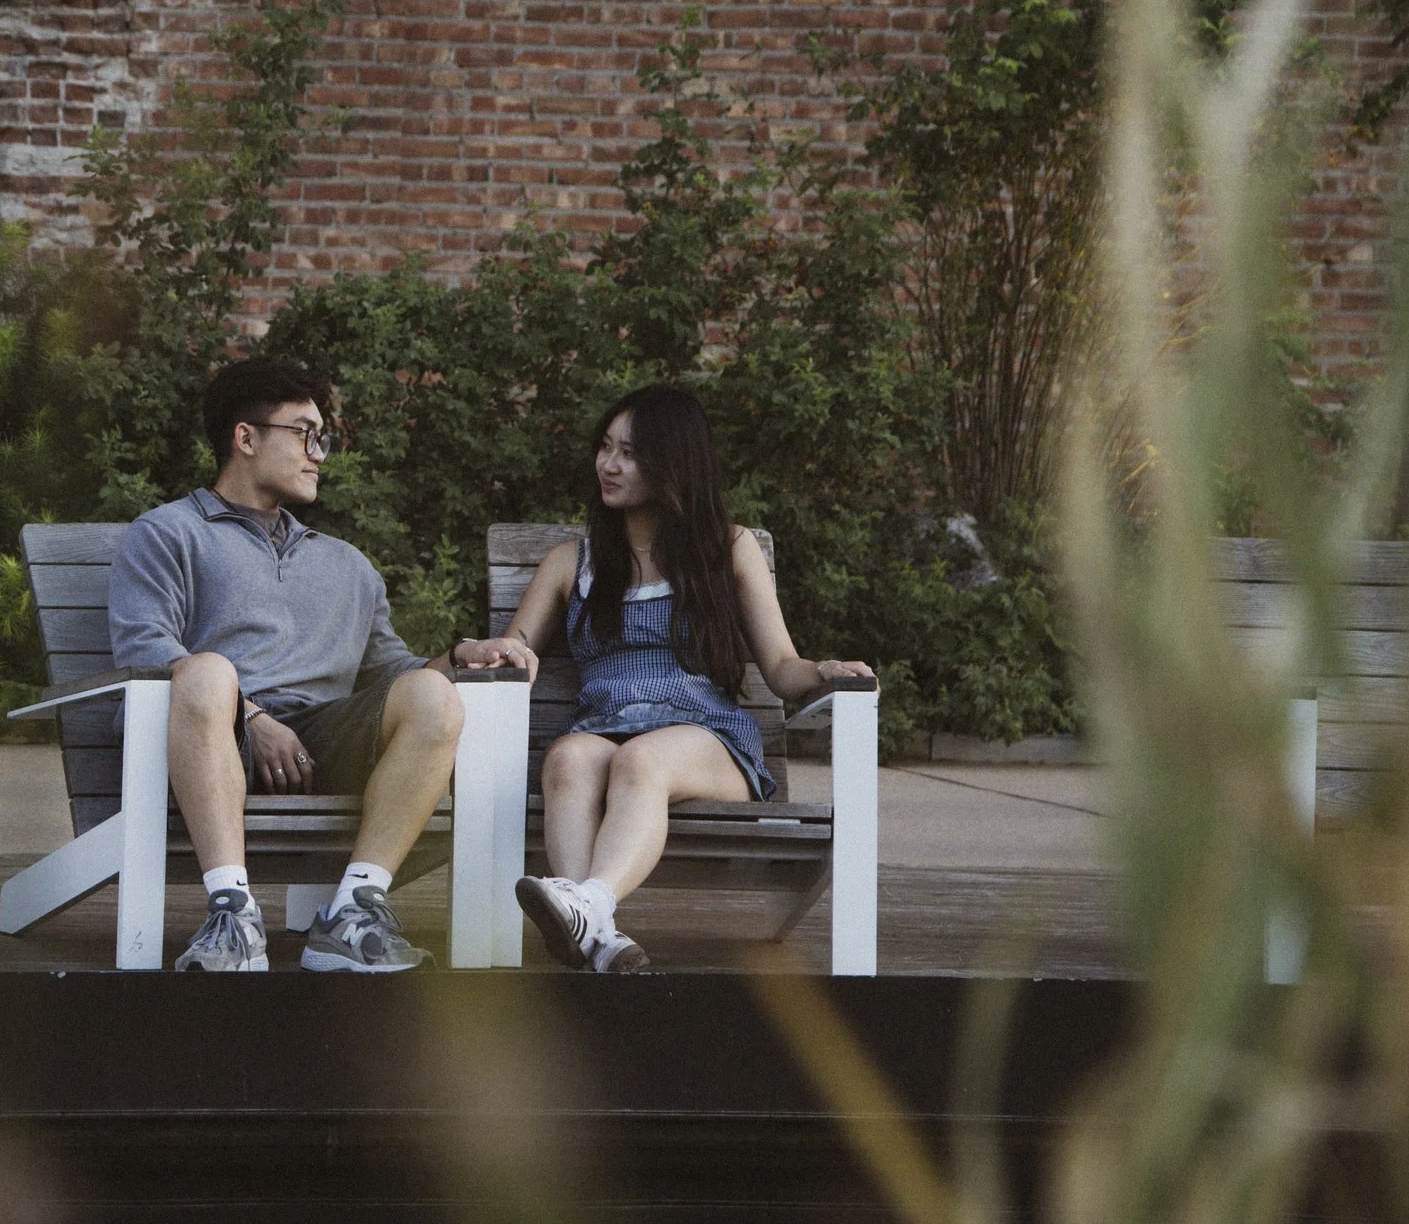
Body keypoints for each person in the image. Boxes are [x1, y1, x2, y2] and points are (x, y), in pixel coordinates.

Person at [108, 357, 494, 973]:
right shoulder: (167, 534)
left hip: (323, 746)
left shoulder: (348, 564)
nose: (320, 453)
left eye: (323, 438)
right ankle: (232, 914)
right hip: (211, 739)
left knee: (433, 695)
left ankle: (354, 911)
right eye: (304, 434)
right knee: (206, 671)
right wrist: (254, 716)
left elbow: (388, 670)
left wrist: (457, 658)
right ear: (246, 437)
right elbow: (146, 650)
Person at [479, 385, 875, 973]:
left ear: (673, 466)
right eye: (605, 448)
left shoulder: (728, 550)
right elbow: (515, 645)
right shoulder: (572, 563)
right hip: (601, 730)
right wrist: (498, 652)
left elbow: (781, 669)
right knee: (566, 759)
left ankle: (585, 904)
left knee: (641, 760)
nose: (608, 465)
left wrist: (823, 672)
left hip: (705, 739)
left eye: (630, 454)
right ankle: (599, 936)